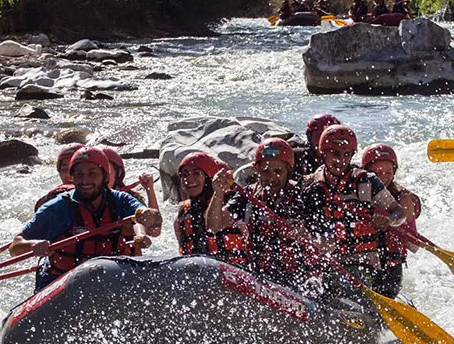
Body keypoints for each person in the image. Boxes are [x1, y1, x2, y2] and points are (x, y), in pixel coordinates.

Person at [13, 147, 162, 292]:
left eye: (92, 174)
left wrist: (149, 215)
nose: (85, 181)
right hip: (63, 284)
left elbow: (152, 221)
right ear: (72, 177)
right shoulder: (58, 207)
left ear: (105, 177)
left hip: (110, 279)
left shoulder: (120, 200)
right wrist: (33, 245)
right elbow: (15, 246)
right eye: (79, 174)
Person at [301, 125, 406, 295]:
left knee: (344, 283)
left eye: (347, 154)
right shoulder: (310, 186)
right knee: (310, 287)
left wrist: (390, 220)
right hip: (330, 262)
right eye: (335, 153)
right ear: (323, 153)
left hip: (365, 263)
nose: (341, 160)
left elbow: (398, 212)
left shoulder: (367, 181)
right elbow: (307, 223)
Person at [227, 138, 319, 290]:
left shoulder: (305, 194)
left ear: (288, 171)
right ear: (257, 170)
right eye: (265, 171)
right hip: (261, 276)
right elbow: (215, 224)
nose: (271, 178)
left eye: (278, 172)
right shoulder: (249, 195)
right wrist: (218, 193)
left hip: (300, 278)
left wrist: (308, 237)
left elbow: (327, 240)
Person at [360, 143, 420, 299]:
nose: (383, 178)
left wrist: (392, 222)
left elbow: (413, 245)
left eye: (388, 172)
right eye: (377, 172)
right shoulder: (355, 192)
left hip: (389, 268)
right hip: (361, 262)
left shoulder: (403, 198)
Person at [174, 151, 249, 265]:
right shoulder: (183, 212)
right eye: (185, 174)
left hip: (235, 272)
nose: (189, 179)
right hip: (198, 274)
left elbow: (214, 227)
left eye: (196, 173)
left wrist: (218, 192)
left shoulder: (233, 200)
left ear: (209, 178)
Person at [34, 143, 83, 211]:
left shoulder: (100, 198)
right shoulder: (50, 200)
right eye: (65, 169)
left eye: (76, 169)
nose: (69, 175)